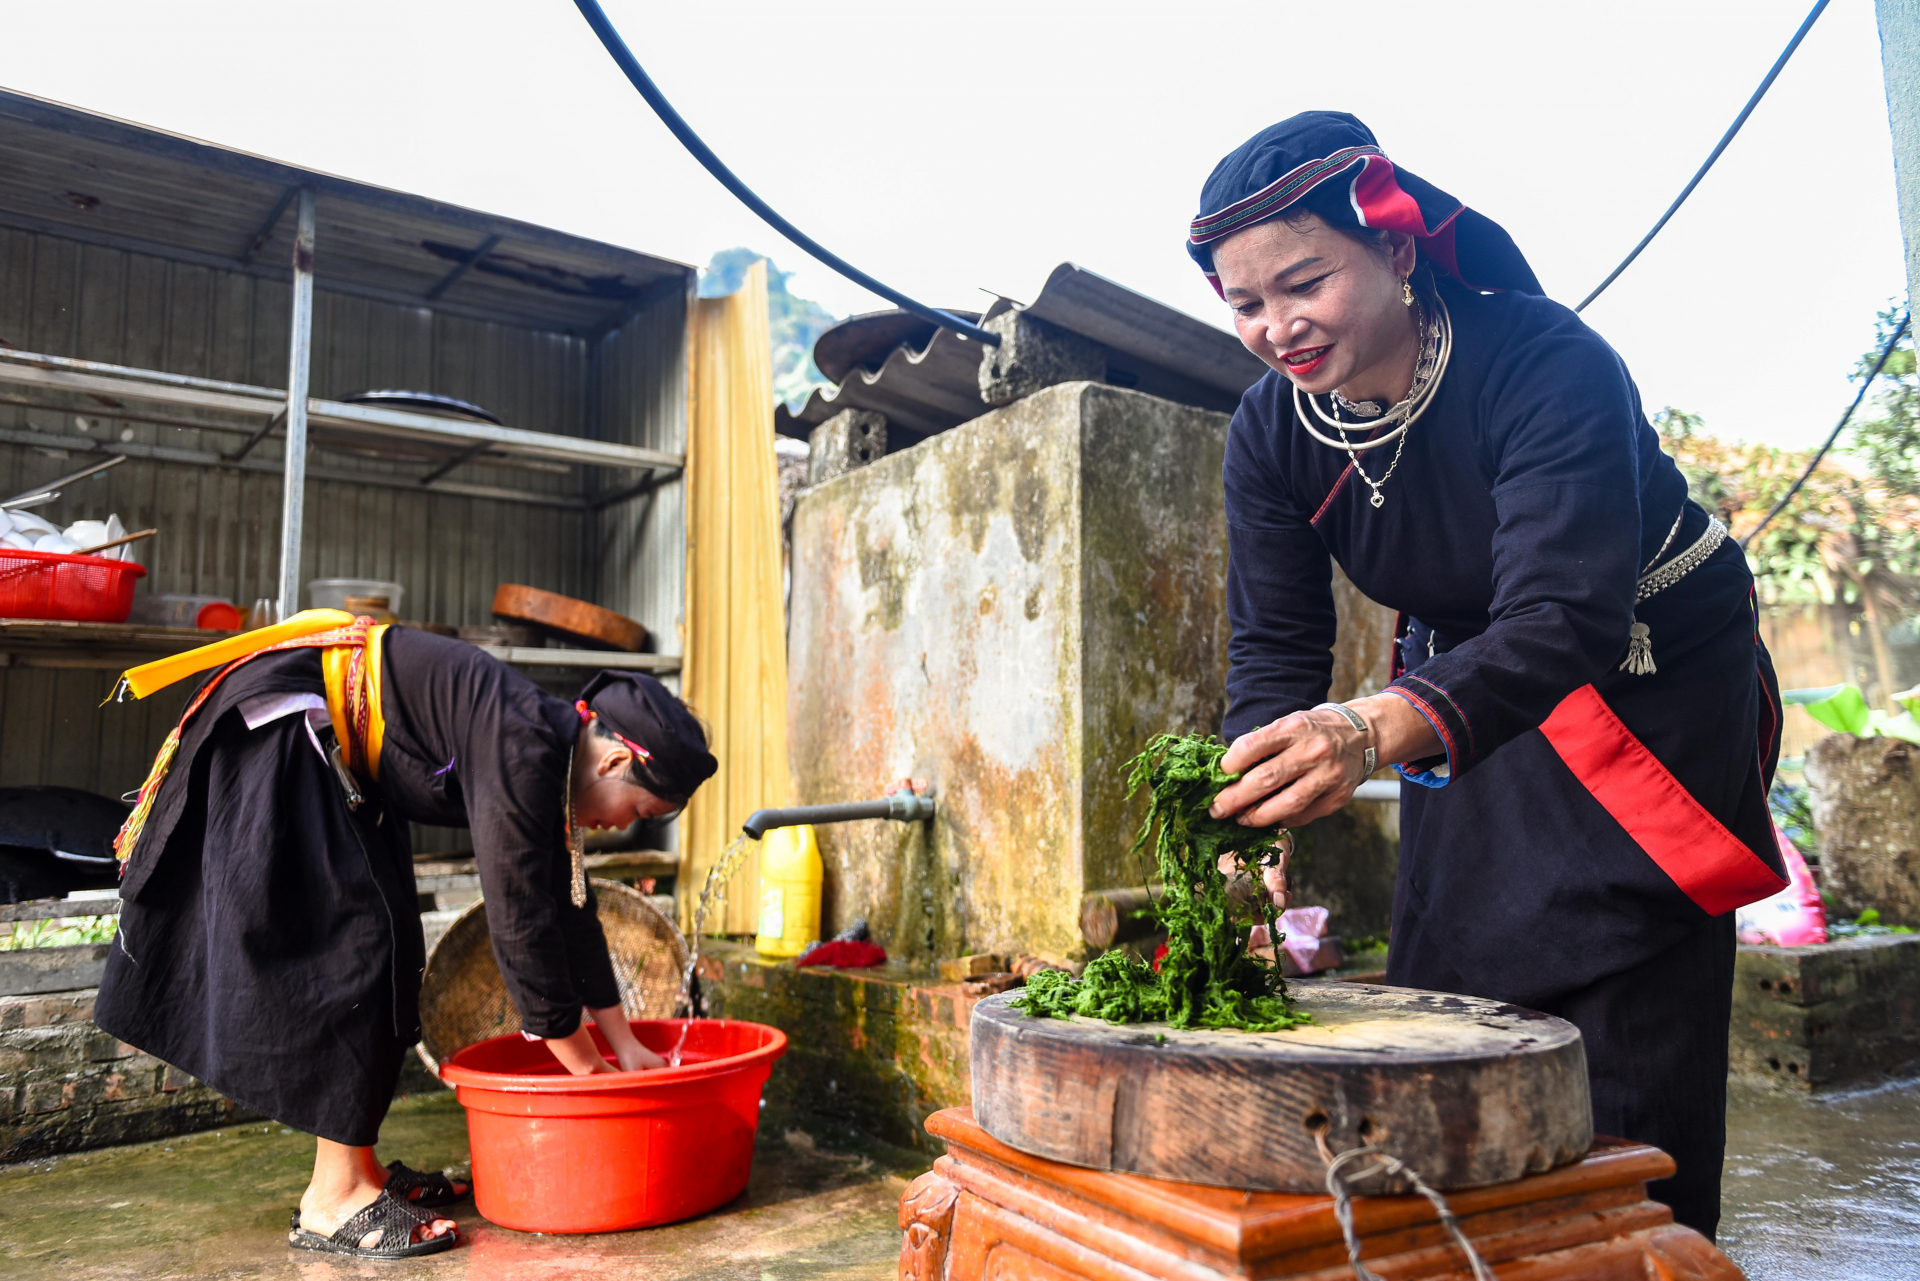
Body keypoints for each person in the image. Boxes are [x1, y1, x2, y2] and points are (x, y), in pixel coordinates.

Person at [1193, 112, 1786, 1238]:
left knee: (1622, 973)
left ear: (1401, 251)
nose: (1277, 327)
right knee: (1457, 974)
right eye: (1246, 303)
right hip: (1462, 688)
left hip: (1637, 673)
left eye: (1304, 282)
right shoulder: (1270, 432)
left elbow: (1563, 612)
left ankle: (1639, 1247)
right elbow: (1274, 645)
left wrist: (1364, 733)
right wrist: (1247, 828)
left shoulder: (1544, 360)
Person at [93, 612, 716, 1258]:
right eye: (639, 811)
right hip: (285, 727)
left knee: (392, 954)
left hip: (344, 751)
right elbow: (521, 922)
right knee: (356, 949)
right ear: (614, 758)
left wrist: (626, 1046)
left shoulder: (548, 755)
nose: (624, 826)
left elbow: (570, 910)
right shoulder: (525, 746)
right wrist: (588, 1076)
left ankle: (361, 1173)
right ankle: (332, 1201)